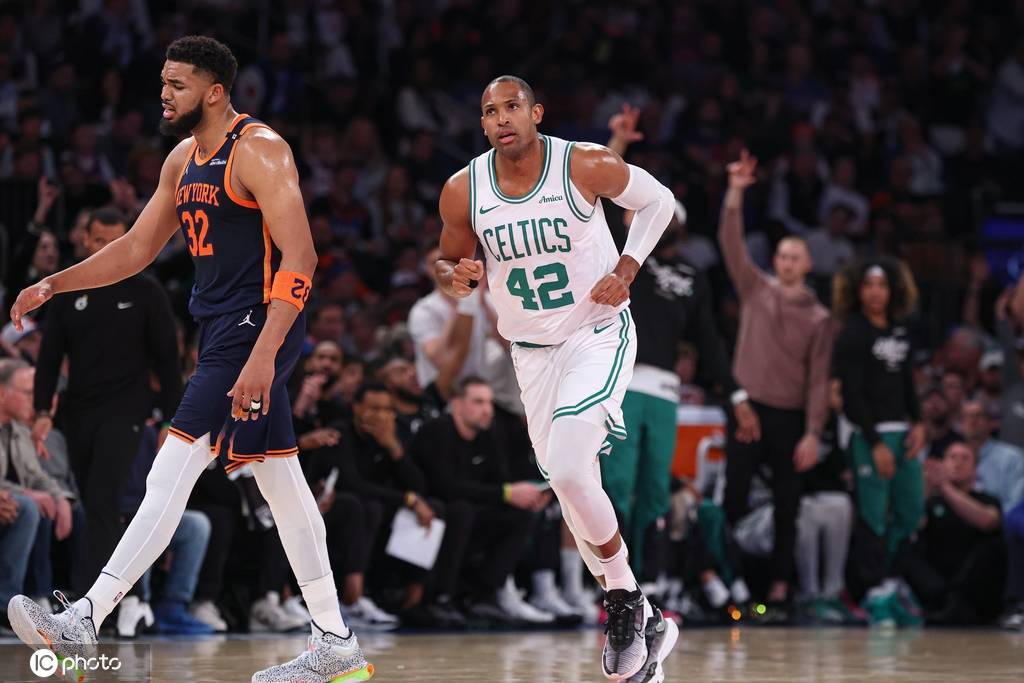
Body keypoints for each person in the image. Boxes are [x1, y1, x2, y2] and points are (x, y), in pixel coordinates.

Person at [6, 36, 372, 683]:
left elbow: (302, 258)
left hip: (258, 326)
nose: (164, 95)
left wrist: (264, 356)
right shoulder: (182, 159)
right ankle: (335, 642)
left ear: (215, 91)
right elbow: (137, 247)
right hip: (224, 331)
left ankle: (85, 617)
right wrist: (55, 283)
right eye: (163, 83)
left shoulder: (259, 149)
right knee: (281, 482)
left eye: (178, 85)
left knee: (170, 470)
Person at [435, 75, 678, 680]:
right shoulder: (463, 189)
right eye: (489, 111)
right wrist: (455, 278)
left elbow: (659, 202)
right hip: (530, 354)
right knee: (570, 487)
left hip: (595, 333)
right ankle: (645, 617)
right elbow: (447, 264)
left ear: (536, 112)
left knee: (569, 469)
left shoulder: (584, 164)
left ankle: (623, 598)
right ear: (482, 124)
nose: (501, 118)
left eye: (512, 106)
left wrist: (627, 267)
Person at [32, 206, 183, 596]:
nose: (107, 248)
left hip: (127, 410)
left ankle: (88, 603)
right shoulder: (68, 289)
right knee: (91, 500)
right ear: (85, 239)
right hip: (79, 409)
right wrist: (42, 410)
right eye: (99, 240)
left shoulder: (147, 291)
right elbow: (49, 357)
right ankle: (113, 598)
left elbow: (168, 360)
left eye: (116, 241)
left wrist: (172, 421)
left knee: (103, 499)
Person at [718, 151, 834, 620]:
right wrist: (735, 193)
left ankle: (781, 588)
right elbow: (730, 245)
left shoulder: (820, 317)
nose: (786, 262)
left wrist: (813, 433)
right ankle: (731, 581)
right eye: (782, 256)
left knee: (788, 504)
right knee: (733, 497)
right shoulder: (756, 288)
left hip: (789, 416)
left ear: (807, 264)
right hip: (748, 408)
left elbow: (819, 379)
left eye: (794, 257)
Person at [411, 377, 553, 624]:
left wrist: (526, 496)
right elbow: (443, 487)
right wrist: (506, 493)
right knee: (461, 510)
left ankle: (483, 594)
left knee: (520, 515)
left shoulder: (487, 434)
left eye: (489, 403)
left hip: (470, 517)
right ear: (457, 404)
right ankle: (440, 597)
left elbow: (500, 481)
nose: (487, 410)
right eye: (478, 402)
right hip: (431, 515)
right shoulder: (438, 430)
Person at [832, 258, 926, 620]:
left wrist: (919, 423)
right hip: (868, 435)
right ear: (858, 291)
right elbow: (852, 395)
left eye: (882, 285)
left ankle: (893, 578)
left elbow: (906, 383)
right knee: (873, 517)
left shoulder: (901, 331)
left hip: (902, 432)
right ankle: (871, 589)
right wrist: (874, 442)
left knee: (910, 511)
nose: (875, 292)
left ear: (893, 291)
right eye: (869, 285)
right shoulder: (852, 333)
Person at [901, 441, 1005, 624]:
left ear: (975, 469)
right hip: (937, 579)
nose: (958, 462)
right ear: (943, 464)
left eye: (965, 458)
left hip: (972, 582)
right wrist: (925, 487)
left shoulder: (987, 499)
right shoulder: (932, 501)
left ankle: (957, 604)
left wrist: (945, 487)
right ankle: (941, 602)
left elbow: (988, 522)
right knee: (906, 548)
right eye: (953, 457)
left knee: (993, 547)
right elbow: (911, 524)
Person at [960, 399, 1024, 514]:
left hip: (1001, 522)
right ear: (961, 425)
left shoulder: (1012, 457)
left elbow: (1015, 504)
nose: (973, 420)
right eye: (967, 416)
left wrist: (992, 519)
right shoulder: (953, 456)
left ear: (990, 422)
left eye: (978, 415)